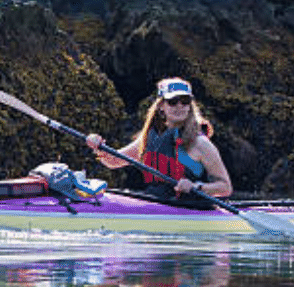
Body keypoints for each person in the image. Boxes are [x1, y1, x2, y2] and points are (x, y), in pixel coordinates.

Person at [85, 77, 232, 206]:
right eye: (172, 101)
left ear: (190, 106)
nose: (180, 106)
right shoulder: (151, 138)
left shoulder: (200, 143)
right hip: (156, 202)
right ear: (161, 106)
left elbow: (225, 187)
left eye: (185, 101)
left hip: (190, 207)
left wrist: (196, 187)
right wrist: (98, 146)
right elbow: (113, 162)